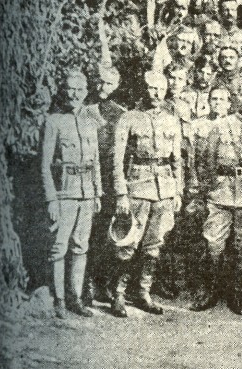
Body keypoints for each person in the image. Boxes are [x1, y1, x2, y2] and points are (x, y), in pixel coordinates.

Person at [190, 80, 242, 315]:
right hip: (221, 193)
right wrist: (209, 187)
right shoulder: (221, 125)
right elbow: (206, 160)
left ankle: (237, 293)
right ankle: (212, 290)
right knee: (213, 242)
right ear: (236, 97)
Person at [109, 71, 182, 317]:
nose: (156, 93)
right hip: (138, 186)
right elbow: (117, 160)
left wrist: (177, 191)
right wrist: (121, 194)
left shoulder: (172, 120)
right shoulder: (128, 118)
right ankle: (118, 293)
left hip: (164, 190)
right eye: (151, 88)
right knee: (128, 243)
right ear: (144, 89)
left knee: (154, 246)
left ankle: (143, 293)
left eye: (161, 89)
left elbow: (177, 160)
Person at [42, 70, 102, 318]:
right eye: (69, 88)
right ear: (62, 90)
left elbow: (96, 160)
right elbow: (44, 164)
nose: (74, 94)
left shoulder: (91, 120)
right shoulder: (53, 121)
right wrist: (51, 198)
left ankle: (75, 298)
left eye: (79, 89)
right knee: (59, 247)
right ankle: (59, 300)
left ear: (86, 92)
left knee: (81, 246)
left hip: (87, 192)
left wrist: (98, 192)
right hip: (64, 191)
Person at [183, 87, 232, 296]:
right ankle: (200, 284)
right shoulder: (197, 125)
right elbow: (190, 158)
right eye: (214, 99)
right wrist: (194, 185)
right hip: (199, 187)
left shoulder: (234, 125)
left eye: (222, 99)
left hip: (225, 188)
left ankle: (226, 287)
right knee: (200, 236)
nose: (218, 103)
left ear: (230, 103)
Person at [84, 65, 126, 306]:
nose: (103, 87)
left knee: (106, 234)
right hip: (88, 177)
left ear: (117, 86)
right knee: (86, 233)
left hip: (110, 181)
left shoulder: (121, 114)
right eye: (100, 81)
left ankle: (101, 283)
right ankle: (84, 284)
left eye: (109, 83)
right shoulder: (83, 109)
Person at [153, 63, 193, 299]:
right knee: (160, 227)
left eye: (181, 78)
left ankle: (172, 277)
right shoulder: (156, 106)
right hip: (162, 172)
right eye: (172, 78)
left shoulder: (185, 107)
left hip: (182, 172)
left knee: (177, 229)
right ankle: (156, 279)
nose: (176, 82)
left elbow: (190, 147)